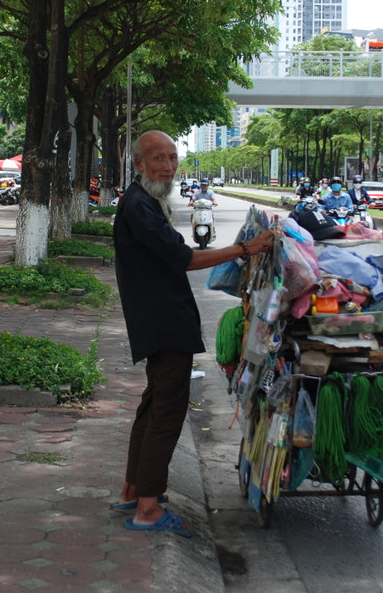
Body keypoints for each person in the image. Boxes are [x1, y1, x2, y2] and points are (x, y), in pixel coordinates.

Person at [113, 130, 274, 537]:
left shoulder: (143, 201)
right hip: (164, 323)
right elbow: (184, 258)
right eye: (158, 159)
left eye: (172, 158)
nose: (167, 167)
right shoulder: (139, 206)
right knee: (167, 414)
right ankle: (147, 509)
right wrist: (244, 250)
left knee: (153, 408)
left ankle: (134, 490)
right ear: (138, 164)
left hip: (160, 319)